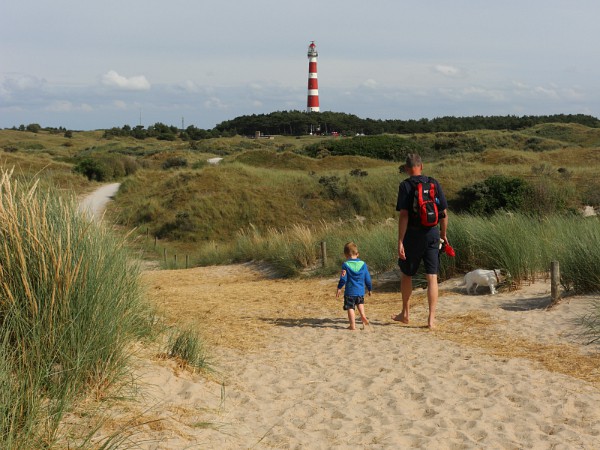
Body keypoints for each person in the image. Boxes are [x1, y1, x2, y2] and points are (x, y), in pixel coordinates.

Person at [392, 153, 449, 329]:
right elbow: (444, 213)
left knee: (407, 274)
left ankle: (405, 314)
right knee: (432, 276)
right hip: (432, 233)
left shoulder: (406, 185)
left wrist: (400, 240)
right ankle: (431, 319)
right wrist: (443, 234)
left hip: (413, 235)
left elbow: (404, 215)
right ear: (421, 166)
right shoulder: (433, 183)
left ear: (407, 169)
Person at [336, 242, 372, 331]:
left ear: (346, 255)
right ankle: (363, 318)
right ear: (357, 254)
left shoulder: (345, 265)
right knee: (360, 304)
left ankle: (352, 326)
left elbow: (343, 279)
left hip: (350, 292)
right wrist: (369, 288)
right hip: (360, 291)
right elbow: (367, 278)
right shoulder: (363, 264)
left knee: (350, 308)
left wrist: (339, 287)